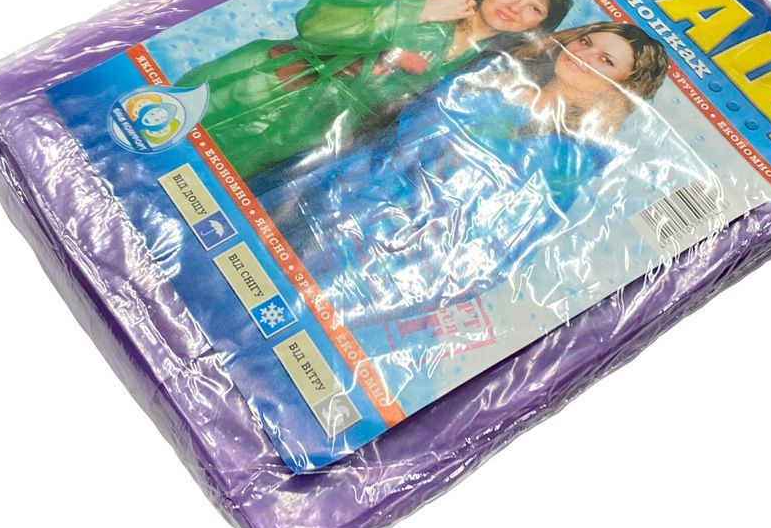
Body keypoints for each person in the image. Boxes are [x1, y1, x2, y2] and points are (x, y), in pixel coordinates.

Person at [258, 22, 671, 375]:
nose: (585, 55)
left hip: (385, 258)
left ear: (623, 87)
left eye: (606, 60)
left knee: (278, 328)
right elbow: (410, 127)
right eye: (587, 42)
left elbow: (497, 240)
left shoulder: (572, 157)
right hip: (333, 195)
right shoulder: (500, 76)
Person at [174, 0, 572, 177]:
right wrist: (419, 10)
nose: (516, 7)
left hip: (308, 144)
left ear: (538, 26)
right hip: (261, 90)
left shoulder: (487, 69)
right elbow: (318, 21)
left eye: (534, 8)